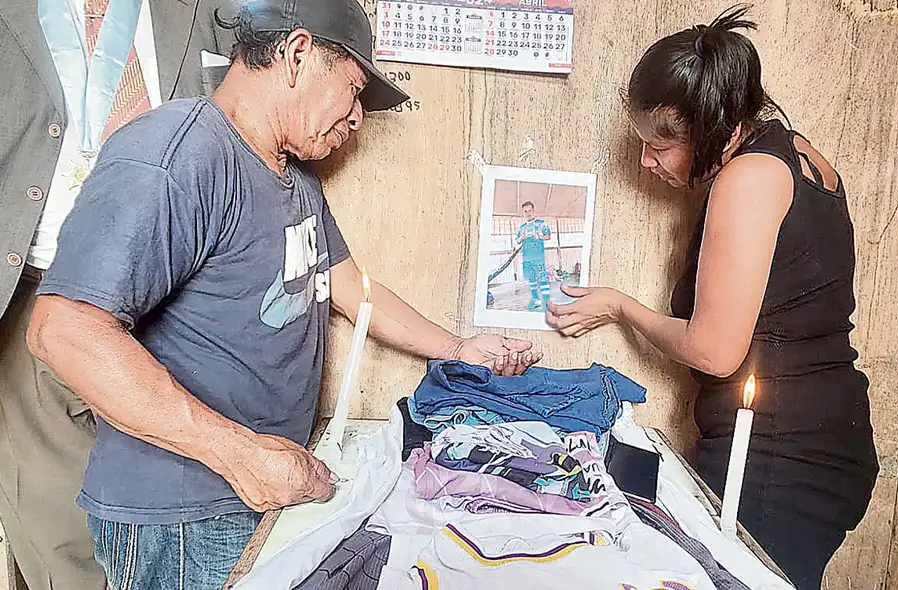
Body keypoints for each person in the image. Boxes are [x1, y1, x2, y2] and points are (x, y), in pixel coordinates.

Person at [25, 0, 541, 587]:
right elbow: (62, 330)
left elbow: (350, 286)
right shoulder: (178, 156)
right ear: (297, 56)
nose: (356, 120)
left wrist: (457, 348)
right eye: (352, 91)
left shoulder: (293, 176)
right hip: (183, 517)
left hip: (261, 494)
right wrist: (242, 458)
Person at [545, 6, 878, 588]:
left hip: (784, 456)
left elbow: (716, 350)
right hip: (819, 434)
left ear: (713, 125)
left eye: (661, 145)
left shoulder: (747, 179)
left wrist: (623, 307)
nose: (647, 162)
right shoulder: (794, 151)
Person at [0, 0, 235, 587]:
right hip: (32, 287)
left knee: (166, 512)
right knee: (51, 515)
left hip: (170, 303)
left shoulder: (206, 13)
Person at [515, 200, 552, 311]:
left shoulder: (541, 223)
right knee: (531, 280)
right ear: (523, 213)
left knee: (542, 279)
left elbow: (548, 236)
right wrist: (521, 238)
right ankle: (536, 300)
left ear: (533, 211)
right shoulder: (522, 228)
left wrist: (539, 236)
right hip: (526, 258)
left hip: (538, 258)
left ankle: (547, 302)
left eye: (529, 210)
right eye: (525, 211)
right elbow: (517, 241)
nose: (528, 213)